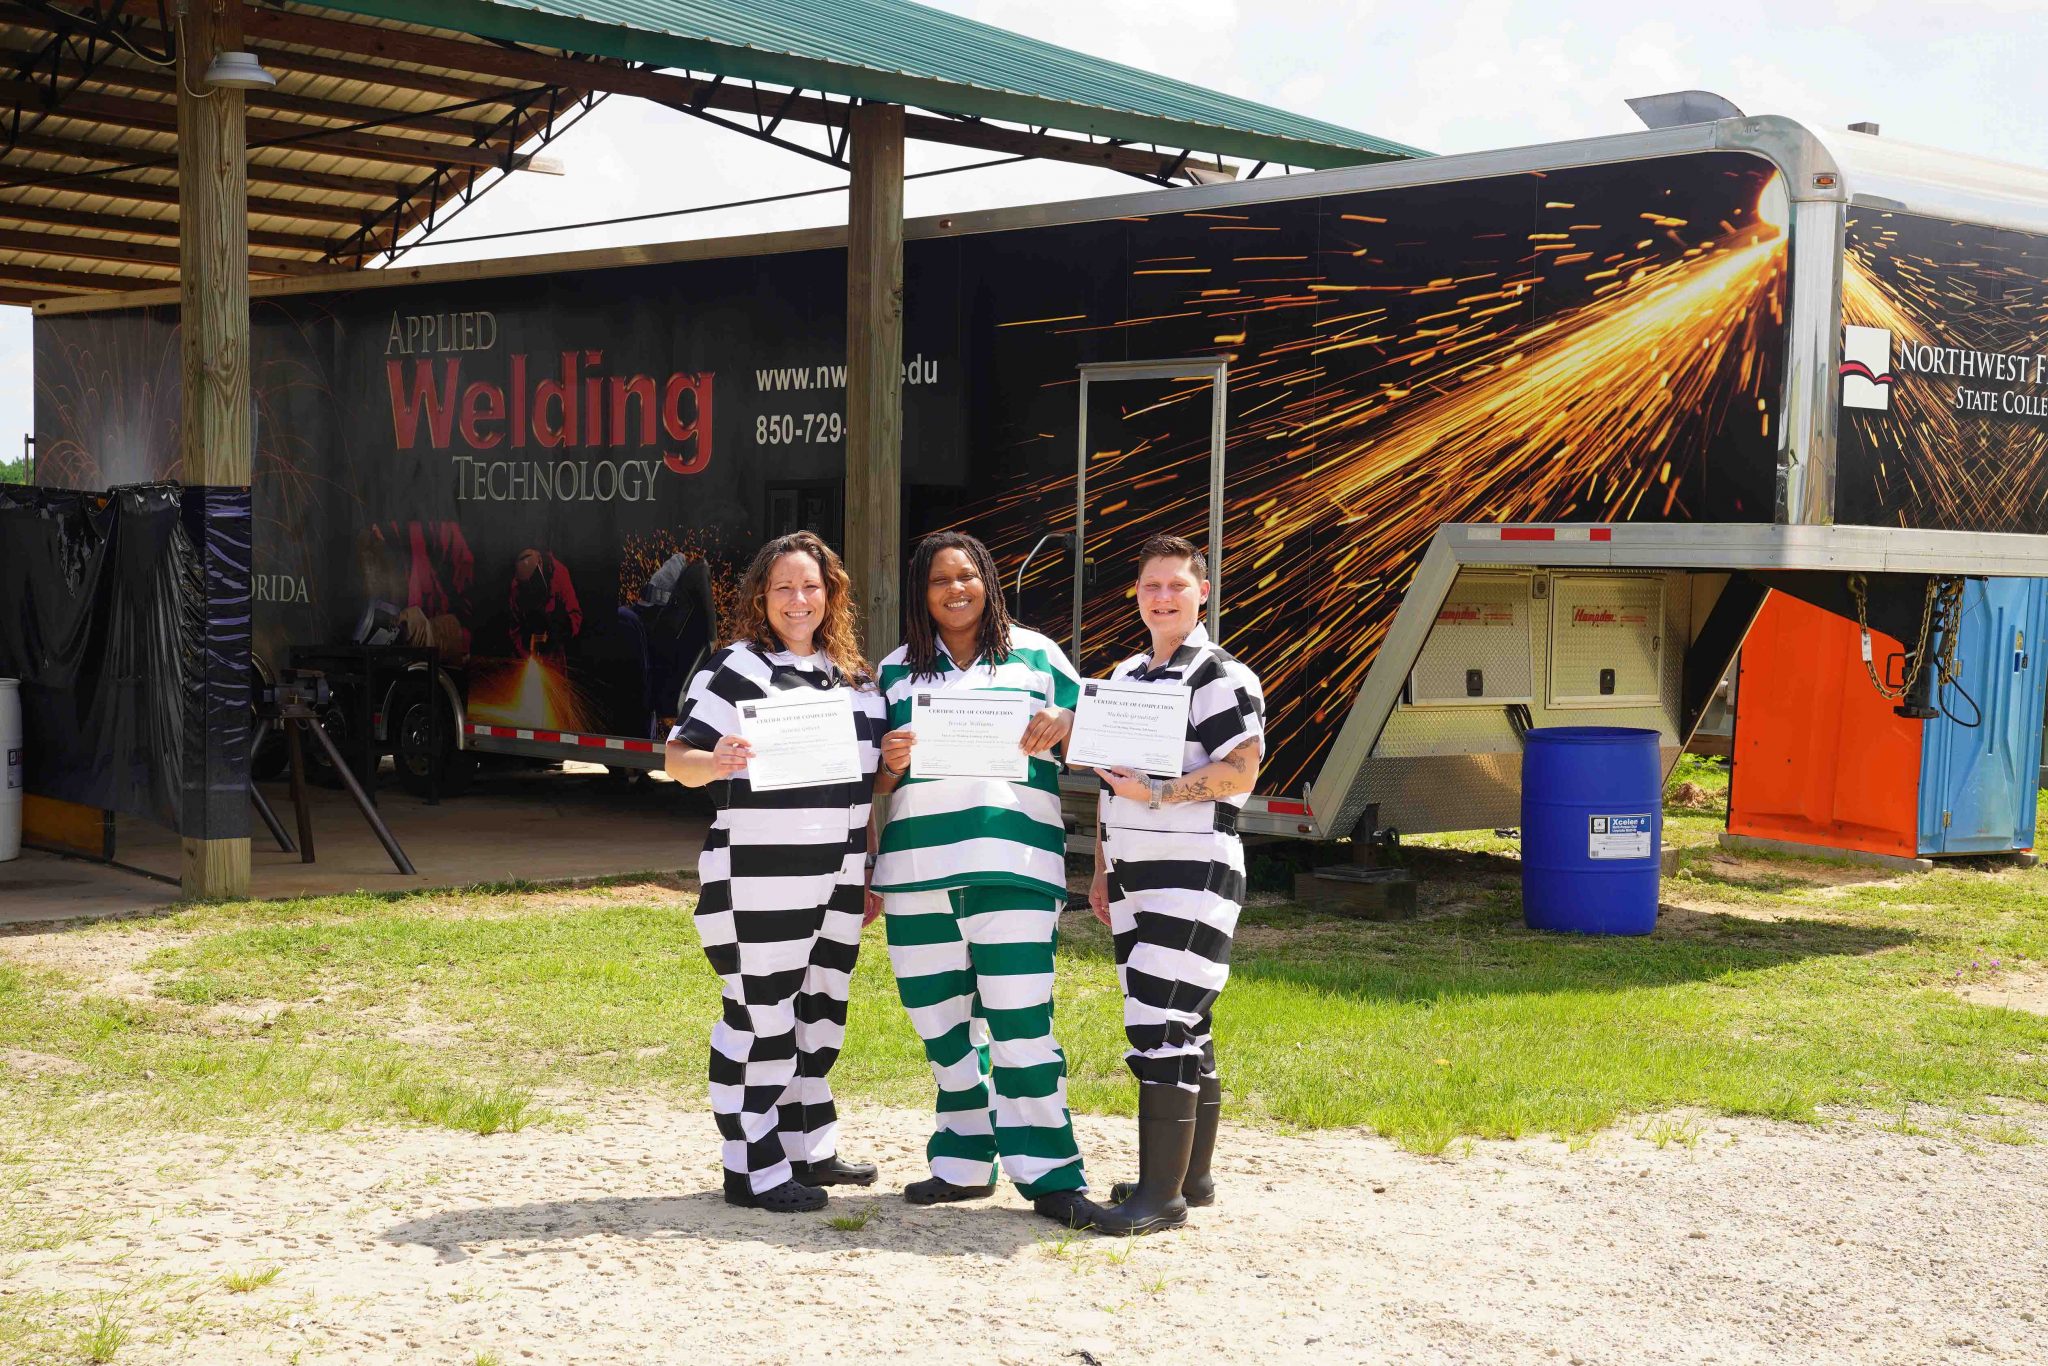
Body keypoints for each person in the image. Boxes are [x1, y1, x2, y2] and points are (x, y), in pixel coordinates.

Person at [871, 530, 1102, 1229]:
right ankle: (965, 1160)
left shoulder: (1038, 655)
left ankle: (1051, 1173)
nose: (955, 590)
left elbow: (1100, 736)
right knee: (940, 1026)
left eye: (967, 576)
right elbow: (876, 783)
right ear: (922, 592)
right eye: (940, 580)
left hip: (1015, 867)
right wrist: (888, 760)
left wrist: (1067, 721)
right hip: (916, 872)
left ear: (989, 582)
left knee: (1020, 1021)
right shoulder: (893, 672)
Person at [664, 531, 886, 1213]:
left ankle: (805, 1145)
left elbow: (865, 783)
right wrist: (717, 761)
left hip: (840, 872)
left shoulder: (853, 677)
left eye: (811, 586)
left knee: (820, 1012)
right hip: (761, 871)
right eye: (784, 587)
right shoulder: (735, 668)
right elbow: (678, 757)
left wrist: (868, 864)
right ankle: (751, 1163)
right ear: (762, 594)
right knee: (761, 1014)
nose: (798, 599)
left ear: (831, 594)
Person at [1083, 533, 1266, 1236]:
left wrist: (1158, 794)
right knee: (1187, 1022)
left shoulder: (1222, 677)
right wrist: (1102, 872)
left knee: (1159, 1023)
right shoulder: (1126, 676)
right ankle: (1188, 1176)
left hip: (1192, 869)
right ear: (1136, 594)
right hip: (1134, 871)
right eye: (1151, 586)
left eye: (1177, 587)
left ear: (1203, 593)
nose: (1163, 598)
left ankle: (1158, 1199)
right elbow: (1106, 786)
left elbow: (1240, 772)